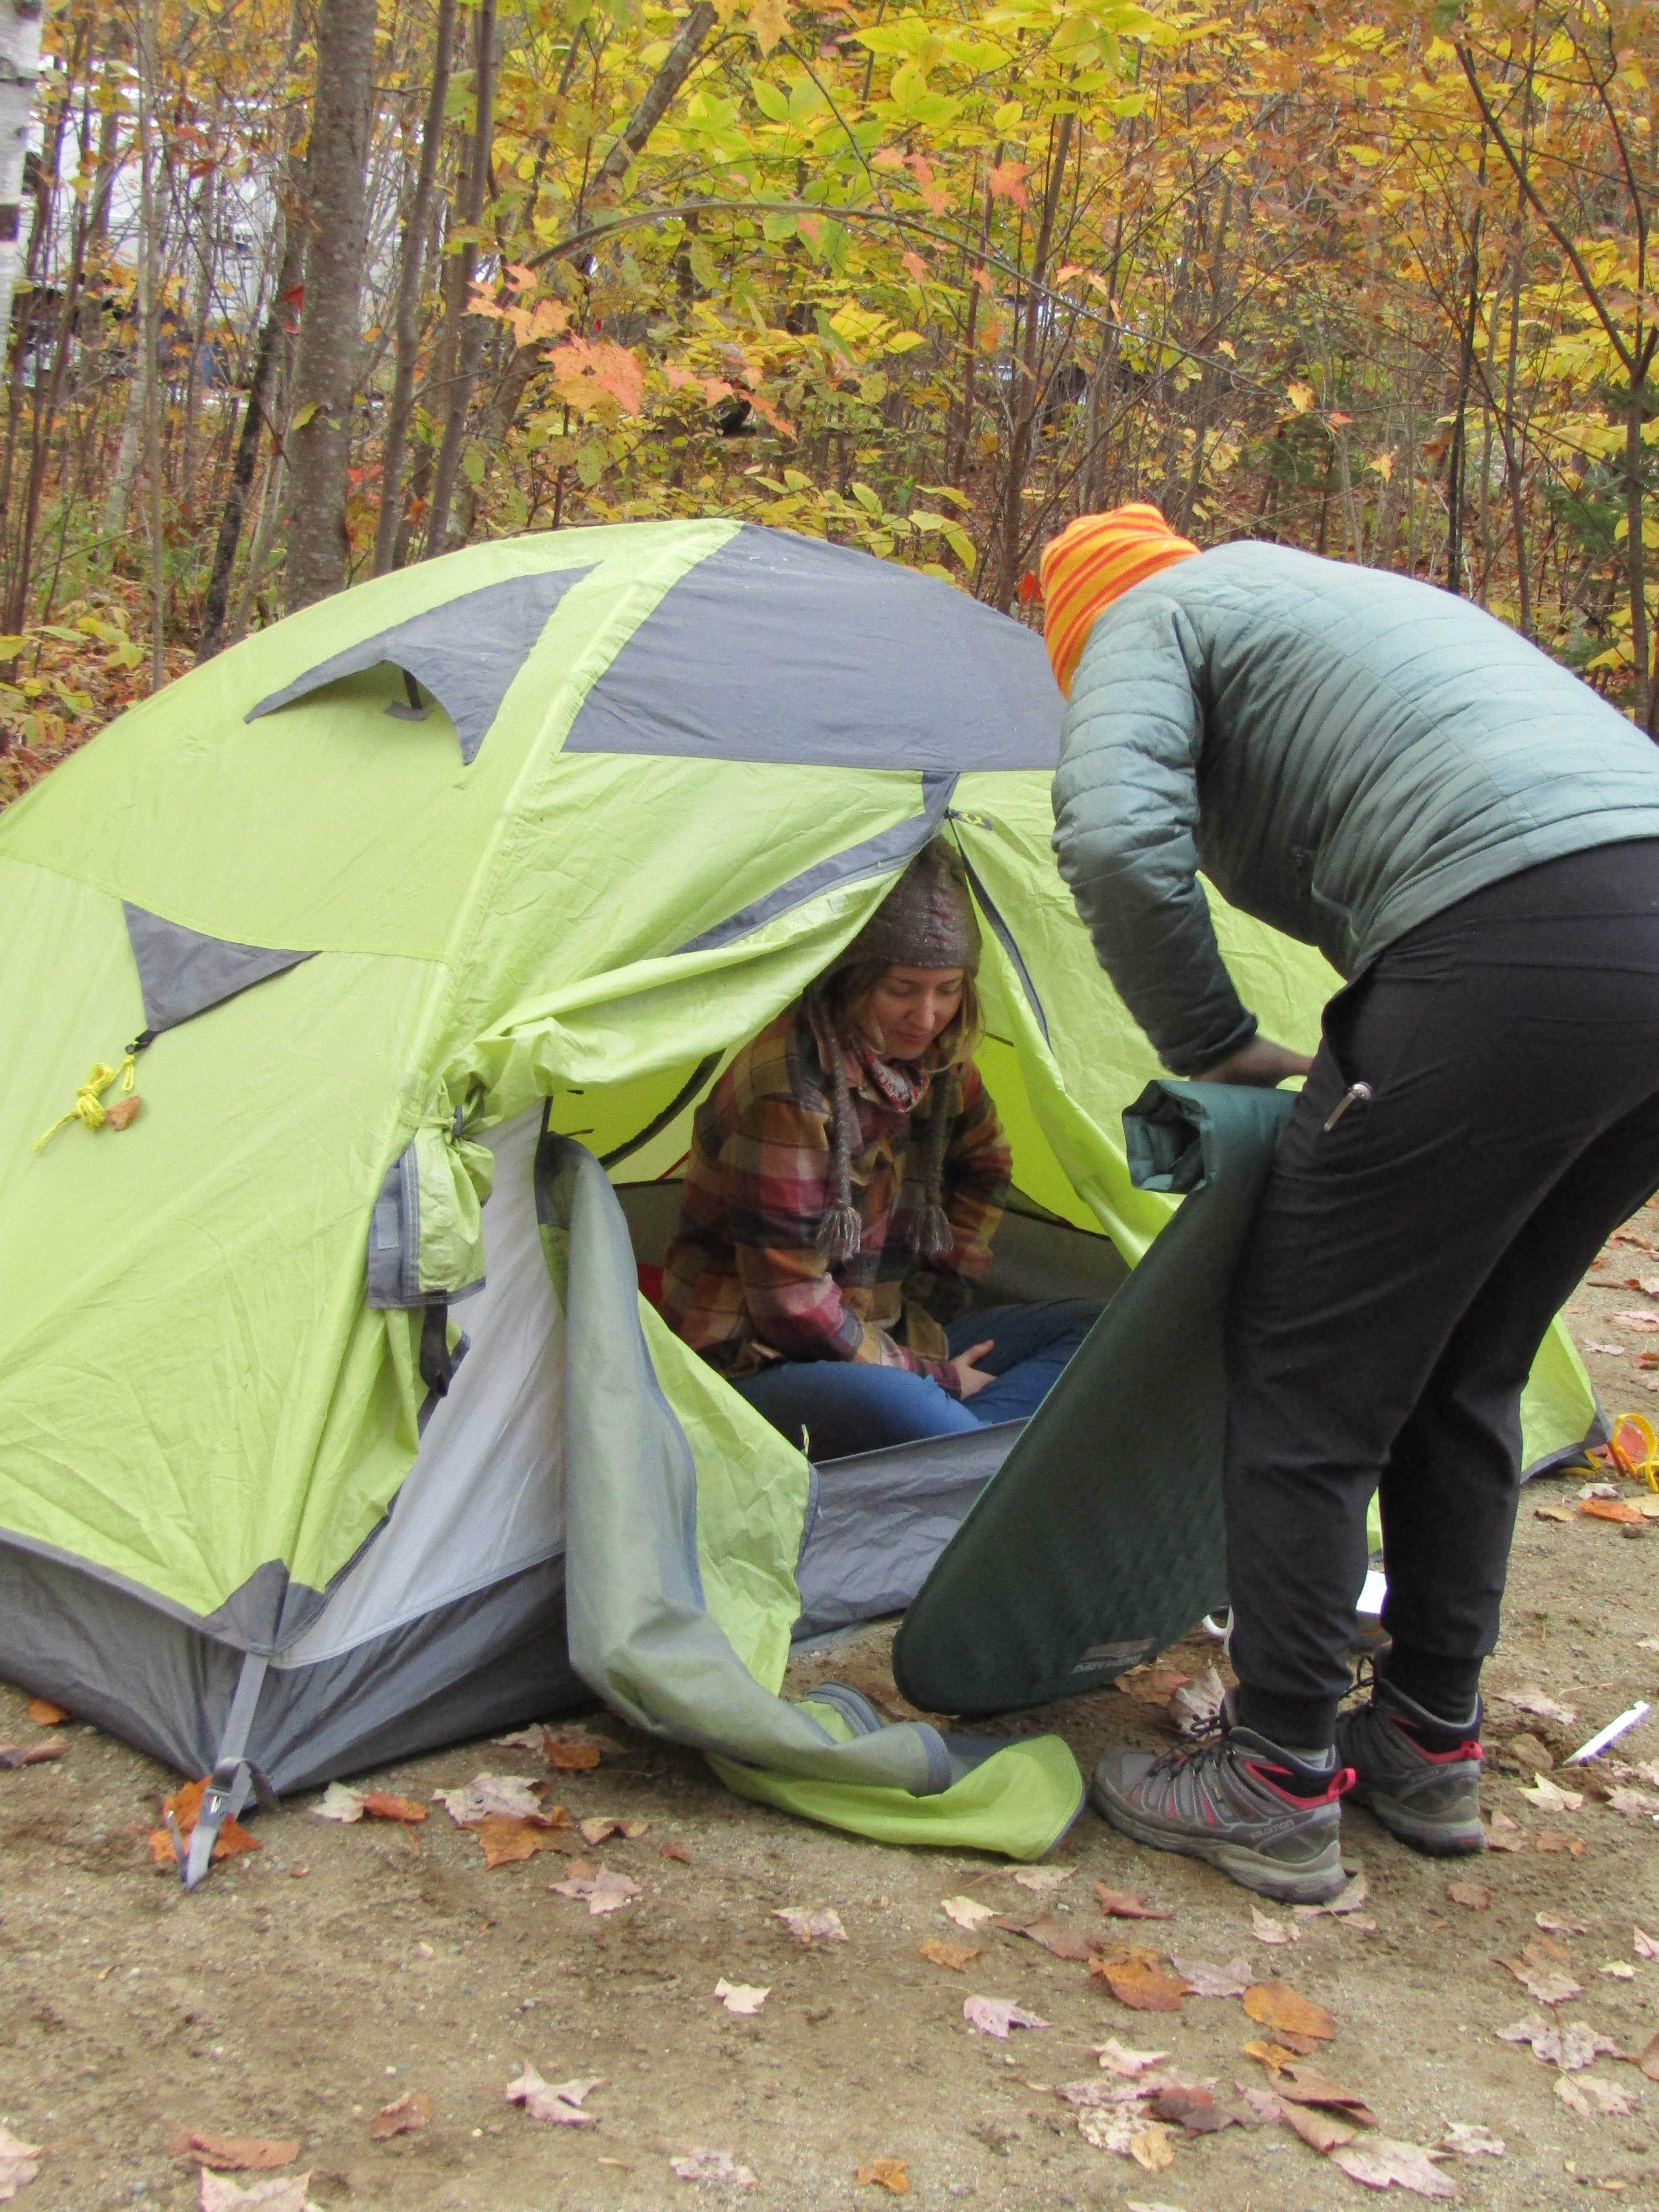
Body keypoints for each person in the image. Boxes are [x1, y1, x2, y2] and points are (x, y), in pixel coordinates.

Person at [1043, 500, 1659, 1903]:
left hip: (1508, 937)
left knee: (1309, 1374)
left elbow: (1116, 841)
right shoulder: (1330, 595)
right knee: (1467, 1360)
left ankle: (1273, 1778)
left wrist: (1208, 1041)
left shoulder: (1145, 616)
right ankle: (1427, 1741)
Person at [662, 840, 1103, 1461]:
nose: (927, 1016)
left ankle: (956, 1450)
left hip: (886, 1334)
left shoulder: (941, 1065)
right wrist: (938, 1378)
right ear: (856, 977)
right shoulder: (789, 1086)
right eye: (903, 989)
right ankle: (965, 1446)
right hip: (757, 1362)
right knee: (920, 1408)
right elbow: (791, 1306)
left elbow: (987, 1163)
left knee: (1102, 1331)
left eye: (949, 989)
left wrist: (936, 1297)